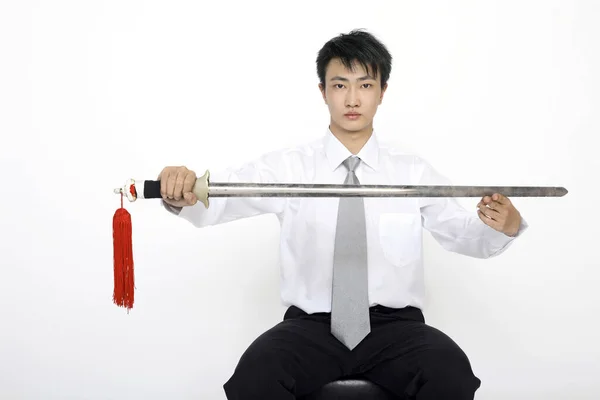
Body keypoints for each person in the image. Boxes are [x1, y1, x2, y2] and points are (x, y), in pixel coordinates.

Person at [159, 29, 527, 400]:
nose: (352, 99)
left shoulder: (412, 173)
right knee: (255, 375)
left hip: (396, 329)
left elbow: (462, 233)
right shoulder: (289, 168)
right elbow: (221, 197)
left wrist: (503, 228)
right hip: (309, 329)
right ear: (323, 91)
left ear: (382, 91)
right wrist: (182, 189)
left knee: (451, 372)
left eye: (365, 85)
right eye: (339, 85)